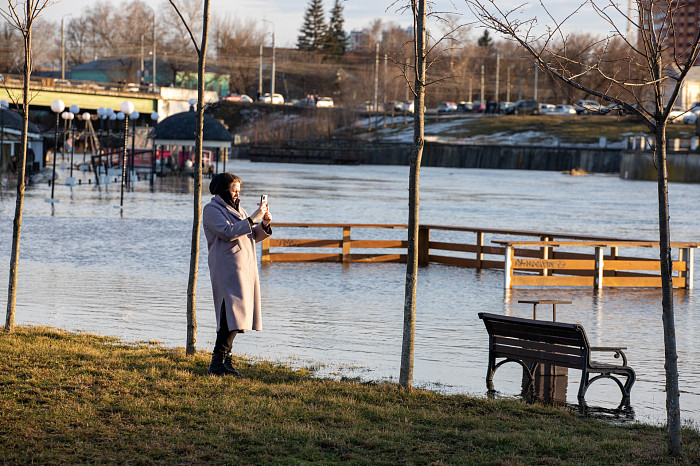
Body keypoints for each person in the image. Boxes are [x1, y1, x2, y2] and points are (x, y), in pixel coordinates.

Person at [202, 172, 272, 376]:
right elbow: (227, 232)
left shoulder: (238, 209)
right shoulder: (211, 210)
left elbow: (249, 236)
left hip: (244, 268)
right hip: (226, 268)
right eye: (234, 190)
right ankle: (217, 363)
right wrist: (252, 219)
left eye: (238, 190)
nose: (236, 194)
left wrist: (264, 225)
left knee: (236, 316)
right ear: (223, 189)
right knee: (229, 315)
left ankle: (225, 362)